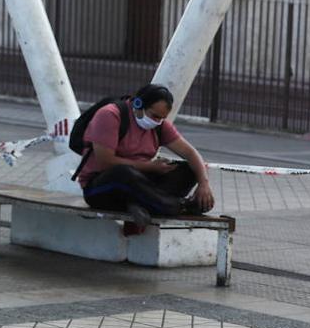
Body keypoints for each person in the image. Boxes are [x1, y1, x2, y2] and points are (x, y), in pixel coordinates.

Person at [78, 83, 215, 226]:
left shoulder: (159, 125)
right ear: (138, 104)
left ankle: (141, 204)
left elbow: (190, 153)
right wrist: (149, 167)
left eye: (161, 118)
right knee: (123, 173)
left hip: (140, 184)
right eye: (154, 116)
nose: (157, 122)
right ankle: (179, 207)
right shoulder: (110, 115)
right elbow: (105, 162)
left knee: (188, 170)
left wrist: (203, 184)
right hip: (101, 187)